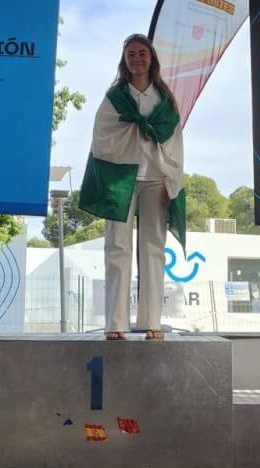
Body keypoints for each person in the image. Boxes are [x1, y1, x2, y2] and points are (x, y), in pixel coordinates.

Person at [79, 33, 185, 341]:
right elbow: (101, 137)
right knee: (117, 248)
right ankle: (116, 323)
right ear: (124, 61)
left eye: (141, 53)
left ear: (151, 59)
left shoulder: (164, 100)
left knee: (153, 248)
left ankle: (151, 321)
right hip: (120, 180)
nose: (136, 58)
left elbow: (176, 144)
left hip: (155, 179)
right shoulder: (115, 98)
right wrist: (135, 130)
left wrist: (172, 181)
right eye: (131, 54)